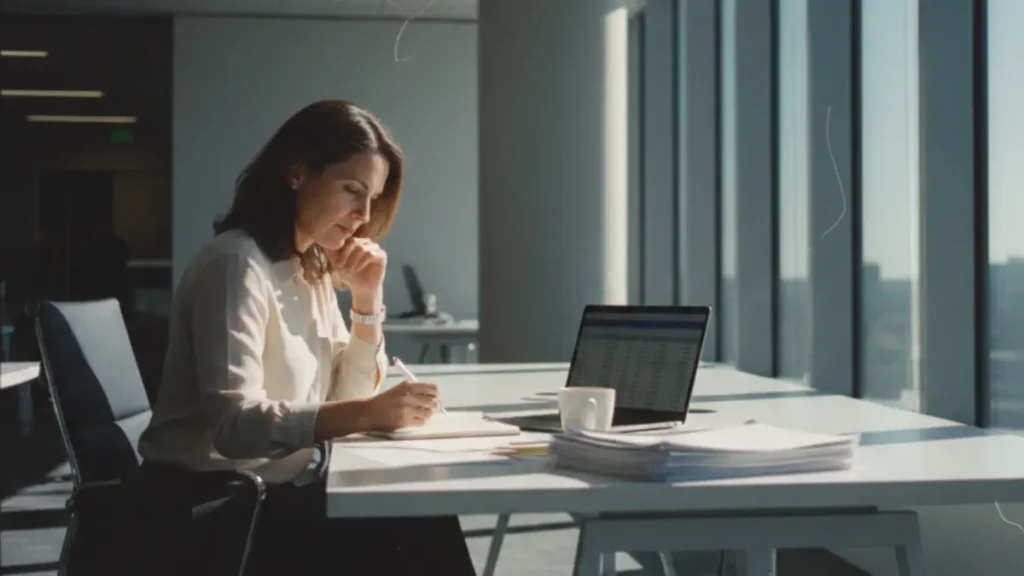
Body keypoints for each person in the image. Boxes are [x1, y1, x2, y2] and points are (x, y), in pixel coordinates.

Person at [137, 100, 477, 575]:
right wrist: (369, 412)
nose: (363, 214)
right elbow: (234, 427)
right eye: (352, 190)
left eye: (373, 199)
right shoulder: (236, 265)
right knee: (417, 523)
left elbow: (347, 395)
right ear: (297, 173)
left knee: (421, 512)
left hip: (281, 491)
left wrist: (365, 299)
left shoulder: (309, 266)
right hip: (221, 505)